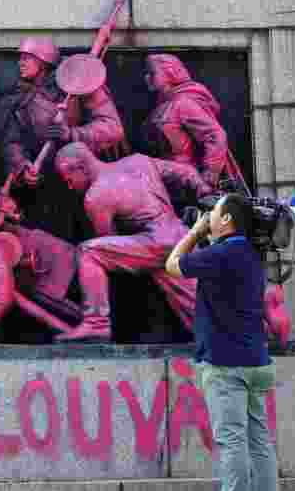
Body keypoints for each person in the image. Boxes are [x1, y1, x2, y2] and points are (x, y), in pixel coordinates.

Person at [166, 193, 280, 491]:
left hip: (226, 365)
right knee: (259, 441)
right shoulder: (250, 254)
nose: (208, 216)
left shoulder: (223, 252)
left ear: (227, 219)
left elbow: (173, 265)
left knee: (232, 441)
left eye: (213, 213)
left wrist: (197, 232)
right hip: (257, 361)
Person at [52, 142, 213, 342]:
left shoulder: (95, 197)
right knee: (199, 312)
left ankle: (96, 323)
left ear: (82, 168)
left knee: (89, 252)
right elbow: (187, 172)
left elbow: (110, 248)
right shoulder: (139, 161)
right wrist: (205, 192)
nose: (69, 186)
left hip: (157, 243)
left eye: (68, 179)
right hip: (180, 237)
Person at [2, 37, 126, 242]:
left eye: (27, 58)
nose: (20, 63)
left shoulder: (79, 83)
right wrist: (23, 167)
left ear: (44, 62)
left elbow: (112, 128)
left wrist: (72, 134)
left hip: (85, 179)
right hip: (44, 185)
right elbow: (11, 141)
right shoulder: (22, 96)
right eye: (20, 58)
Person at [142, 54, 236, 190]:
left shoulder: (183, 104)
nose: (147, 77)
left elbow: (216, 135)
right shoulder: (159, 108)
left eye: (152, 72)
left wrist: (209, 175)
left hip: (184, 180)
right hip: (163, 179)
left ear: (170, 73)